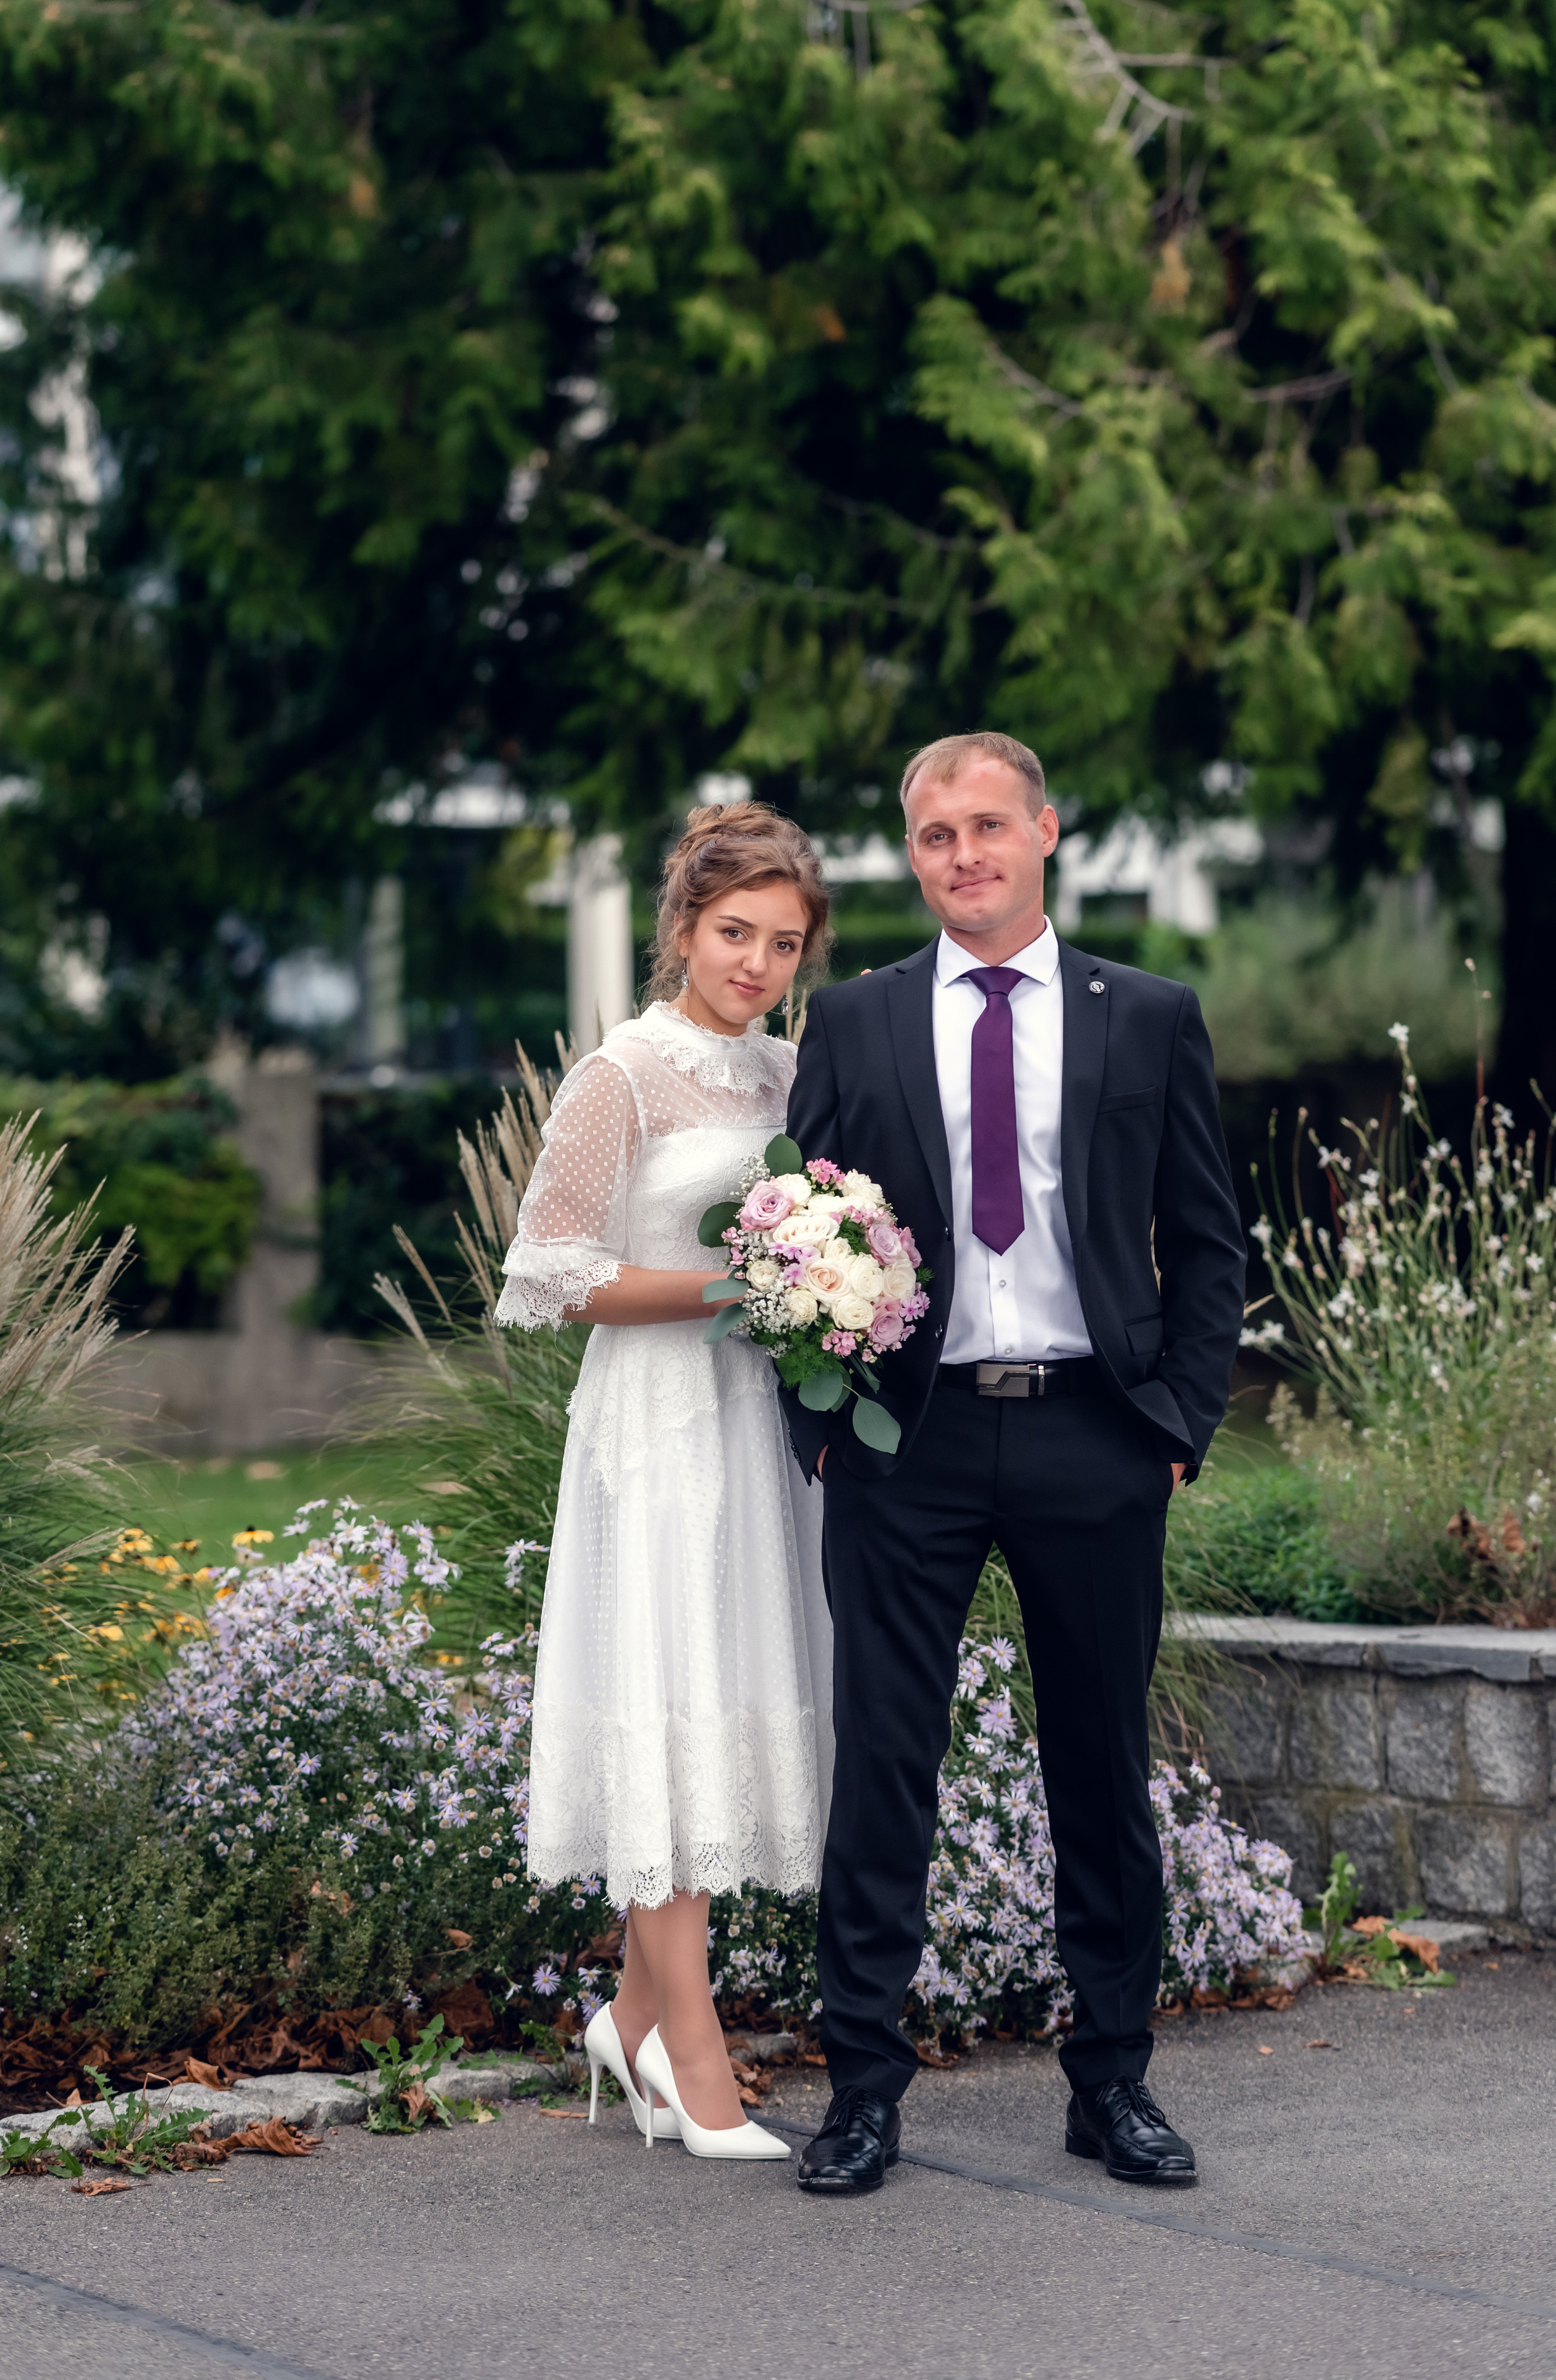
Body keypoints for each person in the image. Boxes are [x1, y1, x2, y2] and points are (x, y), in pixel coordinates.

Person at [780, 732, 1246, 2195]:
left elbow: (1209, 1240)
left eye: (987, 826)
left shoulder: (1146, 1016)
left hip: (1091, 1435)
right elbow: (795, 1230)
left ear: (1045, 831)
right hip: (903, 1447)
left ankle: (1110, 2083)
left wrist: (1172, 1424)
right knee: (882, 1768)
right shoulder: (852, 1023)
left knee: (1098, 1770)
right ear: (910, 855)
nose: (961, 855)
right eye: (933, 837)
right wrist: (822, 1420)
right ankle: (861, 2090)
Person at [495, 802, 834, 2161]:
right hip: (652, 1426)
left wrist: (825, 1293)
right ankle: (693, 2059)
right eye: (733, 932)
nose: (755, 963)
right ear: (682, 929)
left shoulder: (791, 1075)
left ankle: (625, 2021)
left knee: (723, 1713)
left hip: (757, 1428)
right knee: (665, 1704)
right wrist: (736, 1286)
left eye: (783, 942)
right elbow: (551, 1274)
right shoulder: (617, 1075)